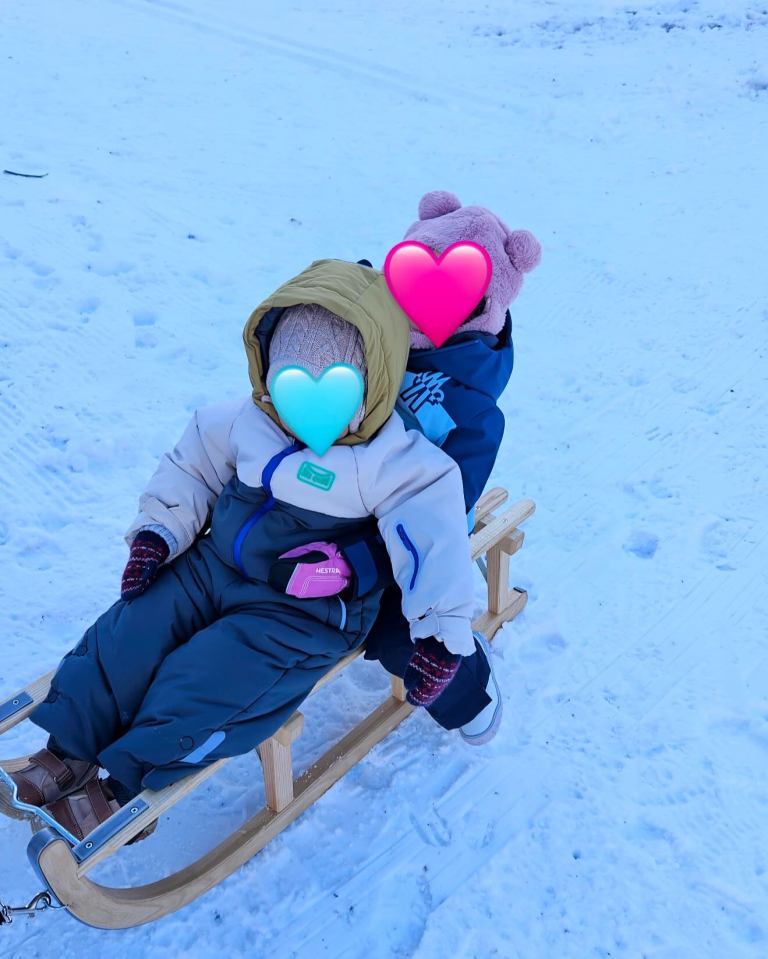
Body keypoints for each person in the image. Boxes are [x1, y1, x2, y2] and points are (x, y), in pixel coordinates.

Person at [0, 258, 478, 842]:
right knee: (131, 631)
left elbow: (436, 546)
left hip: (305, 612)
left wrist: (440, 636)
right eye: (288, 380)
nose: (304, 408)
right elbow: (193, 466)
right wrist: (158, 532)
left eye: (334, 385)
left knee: (209, 677)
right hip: (213, 564)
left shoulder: (401, 463)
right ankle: (68, 750)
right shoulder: (249, 419)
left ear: (372, 379)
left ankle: (124, 784)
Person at [271, 191, 541, 744]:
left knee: (393, 627)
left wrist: (364, 555)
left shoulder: (472, 411)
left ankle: (470, 684)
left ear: (484, 309)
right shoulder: (370, 329)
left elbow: (440, 513)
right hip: (332, 493)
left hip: (410, 530)